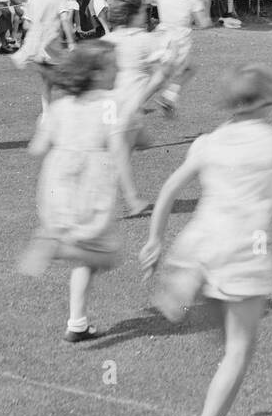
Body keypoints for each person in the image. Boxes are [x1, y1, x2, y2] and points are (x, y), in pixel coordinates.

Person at [140, 65, 272, 416]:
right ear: (265, 99)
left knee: (222, 332)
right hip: (242, 252)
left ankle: (185, 284)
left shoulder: (208, 142)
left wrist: (154, 239)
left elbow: (168, 189)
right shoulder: (270, 141)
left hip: (200, 243)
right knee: (238, 351)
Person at [18, 42, 170, 342]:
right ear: (98, 73)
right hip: (90, 181)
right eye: (113, 66)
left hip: (55, 181)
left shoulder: (63, 105)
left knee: (86, 256)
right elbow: (119, 145)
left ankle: (77, 323)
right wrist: (132, 195)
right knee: (107, 254)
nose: (118, 70)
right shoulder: (109, 103)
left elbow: (36, 148)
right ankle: (56, 247)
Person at [104, 0, 168, 214]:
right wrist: (140, 98)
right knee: (120, 151)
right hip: (126, 105)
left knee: (132, 144)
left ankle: (105, 195)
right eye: (143, 11)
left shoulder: (107, 40)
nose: (146, 16)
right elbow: (160, 76)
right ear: (133, 14)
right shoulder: (146, 39)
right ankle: (132, 201)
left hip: (110, 104)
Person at [148, 0, 212, 115]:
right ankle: (136, 103)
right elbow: (203, 23)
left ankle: (167, 97)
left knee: (168, 74)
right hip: (179, 43)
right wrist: (206, 6)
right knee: (167, 76)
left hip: (160, 39)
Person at [12, 0, 77, 110]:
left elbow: (26, 26)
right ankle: (68, 109)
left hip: (37, 49)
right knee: (64, 79)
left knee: (47, 82)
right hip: (53, 46)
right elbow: (65, 20)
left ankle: (47, 113)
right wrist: (71, 42)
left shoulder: (33, 0)